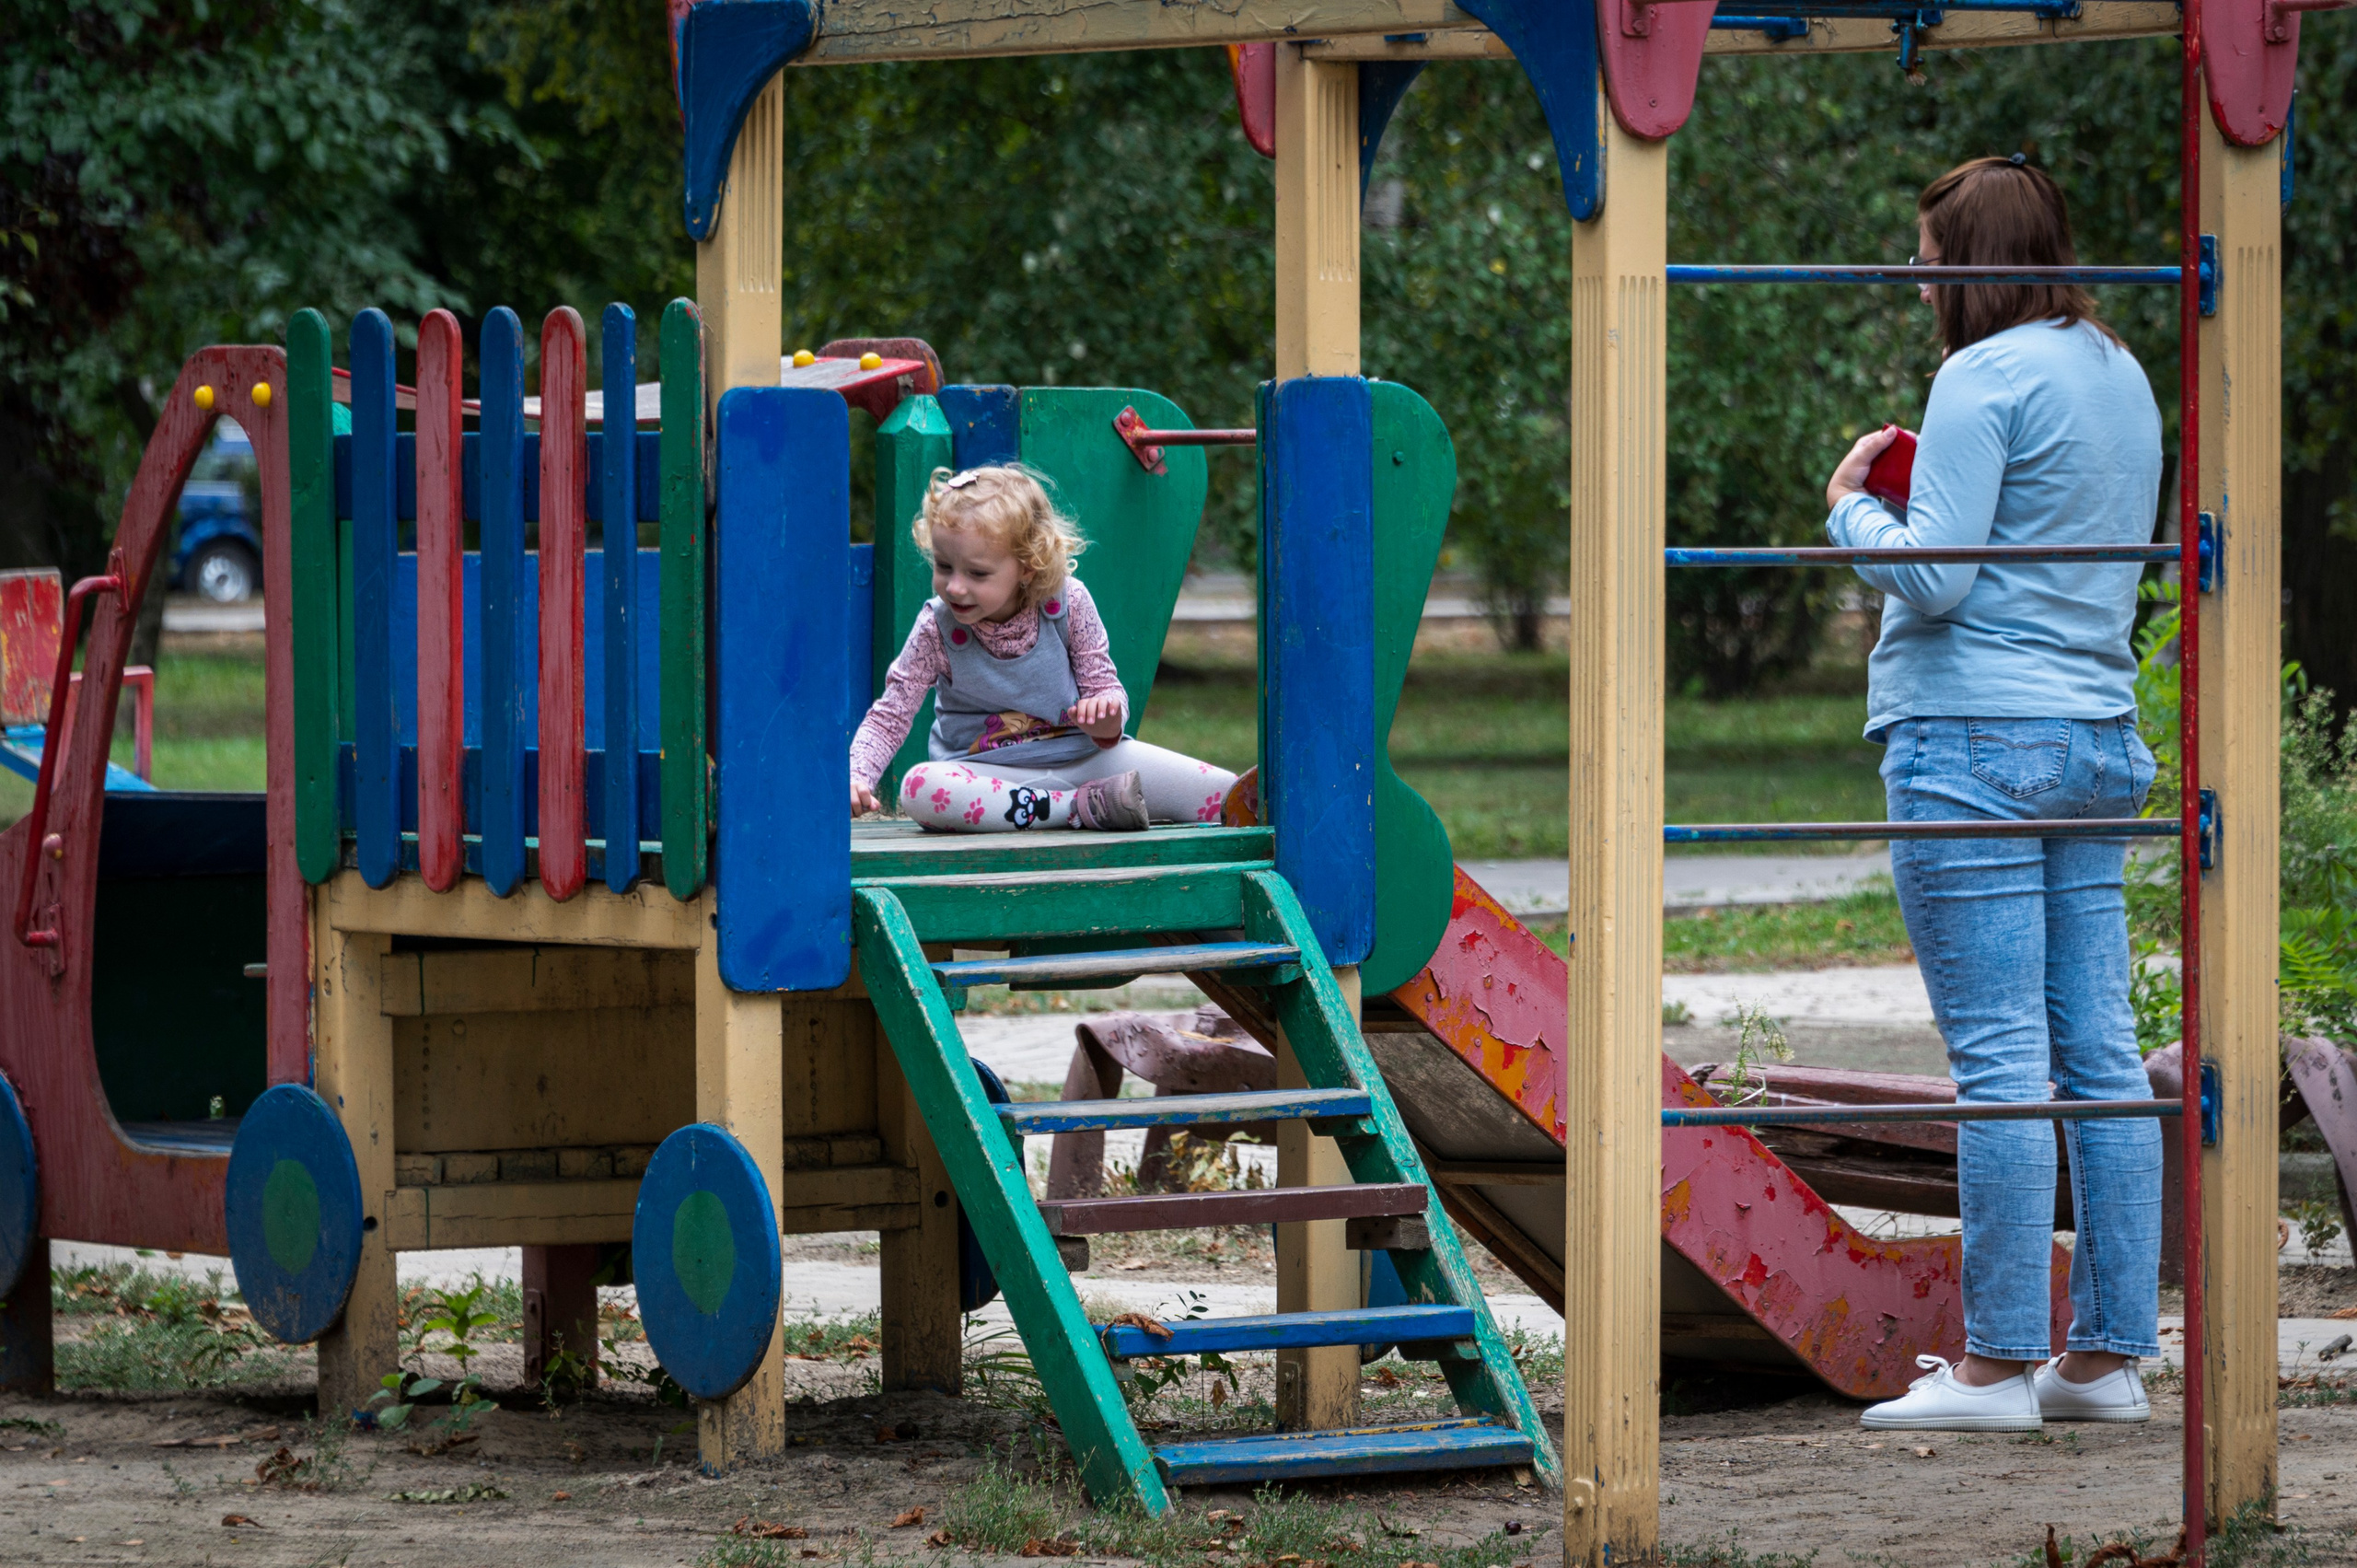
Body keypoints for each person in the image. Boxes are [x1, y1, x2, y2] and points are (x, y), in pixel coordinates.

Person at [1822, 155, 2165, 1432]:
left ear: (1968, 258)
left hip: (1970, 734)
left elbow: (1944, 574)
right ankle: (2106, 1359)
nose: (1918, 285)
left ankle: (1995, 1367)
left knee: (2003, 1063)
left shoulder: (1983, 371)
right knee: (2100, 1050)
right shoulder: (2119, 370)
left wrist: (1855, 512)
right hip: (2094, 730)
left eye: (1926, 259)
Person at [849, 464, 1238, 833]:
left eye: (977, 573)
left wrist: (1105, 717)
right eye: (943, 566)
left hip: (1084, 760)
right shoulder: (937, 626)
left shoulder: (1068, 604)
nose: (954, 587)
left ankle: (1084, 800)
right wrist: (857, 774)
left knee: (1230, 794)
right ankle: (1075, 809)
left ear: (1028, 566)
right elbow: (891, 714)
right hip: (986, 777)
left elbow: (1105, 689)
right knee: (921, 789)